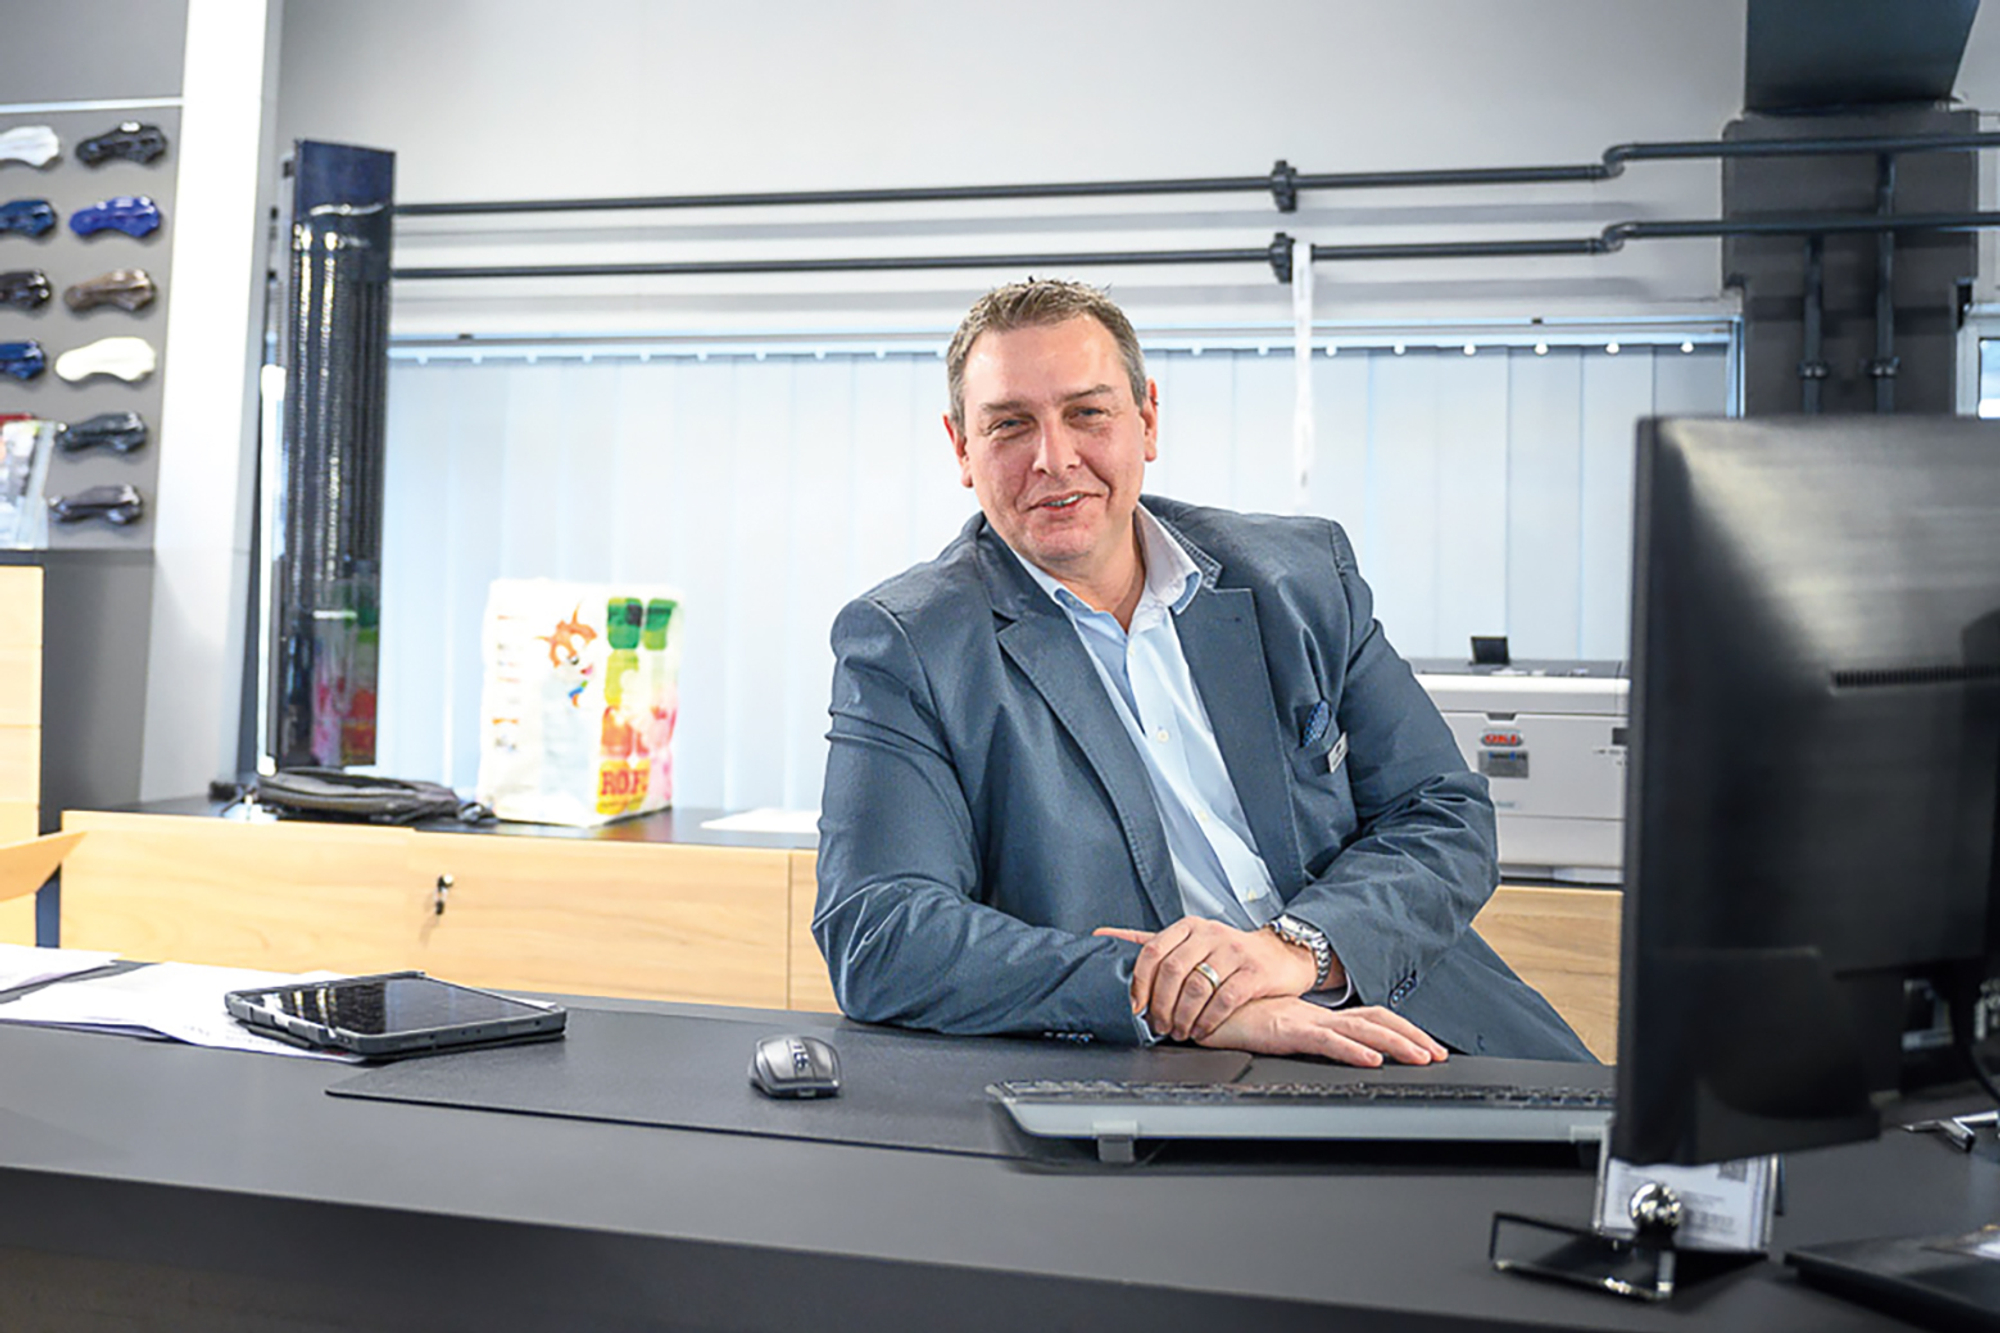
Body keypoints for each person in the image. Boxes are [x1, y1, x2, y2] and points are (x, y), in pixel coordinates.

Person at [813, 279, 1592, 1065]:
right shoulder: (911, 642)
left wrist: (1299, 951)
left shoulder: (1301, 578)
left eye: (1088, 412)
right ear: (961, 448)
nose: (1055, 458)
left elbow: (1445, 814)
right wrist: (1178, 996)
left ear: (1147, 419)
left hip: (1423, 1019)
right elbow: (879, 927)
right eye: (1011, 425)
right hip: (1168, 1069)